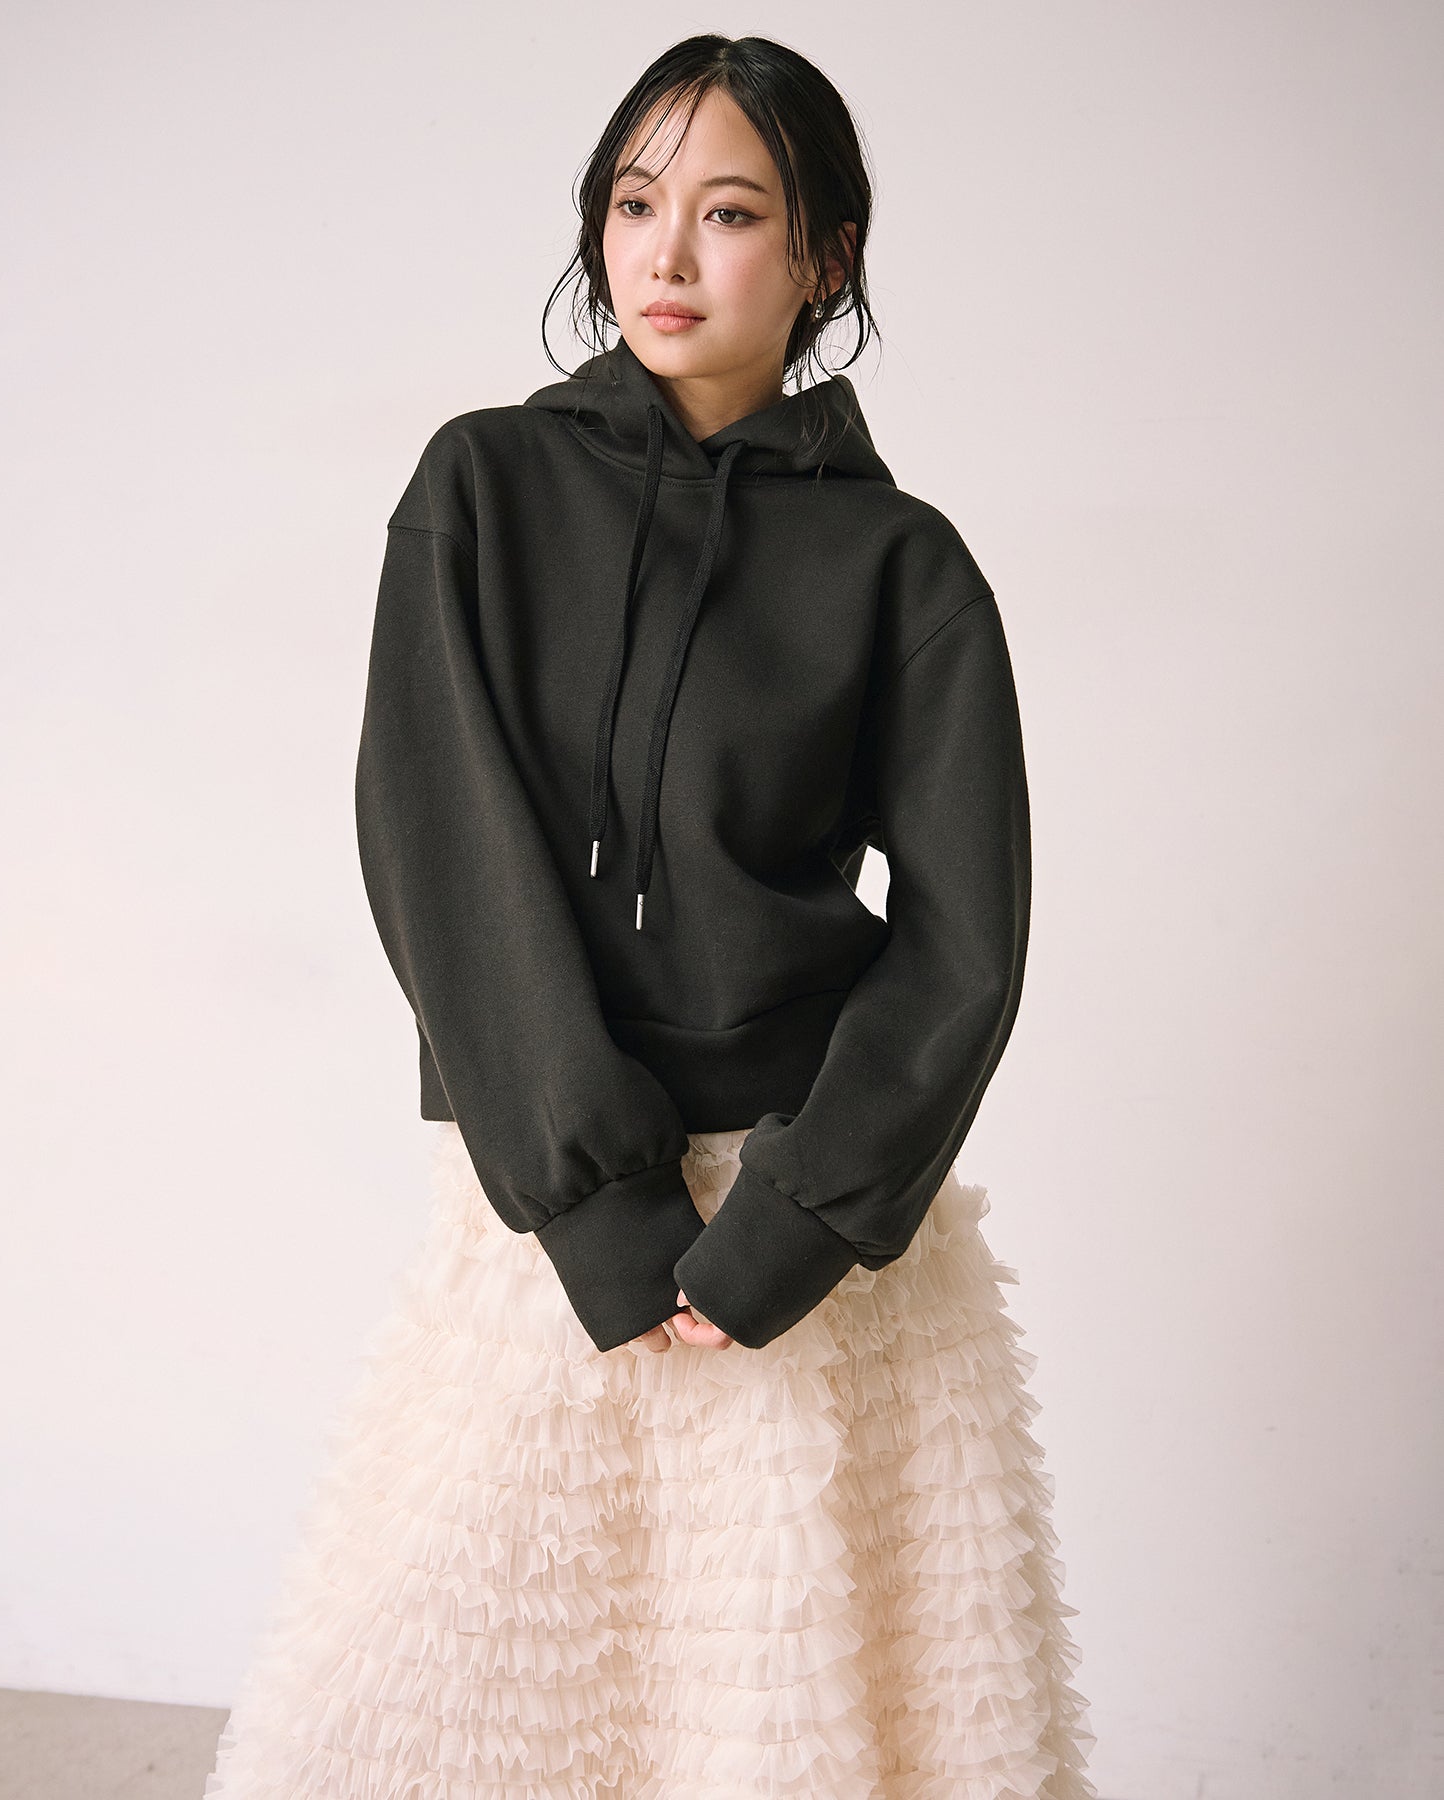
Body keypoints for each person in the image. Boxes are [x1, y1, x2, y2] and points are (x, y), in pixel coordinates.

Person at [204, 32, 1097, 1799]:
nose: (666, 253)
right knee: (431, 1711)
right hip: (547, 1217)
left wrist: (791, 1226)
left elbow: (964, 938)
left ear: (827, 254)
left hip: (812, 1238)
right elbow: (440, 850)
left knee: (791, 1733)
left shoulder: (905, 566)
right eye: (633, 203)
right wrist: (602, 1210)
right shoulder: (480, 489)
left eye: (732, 212)